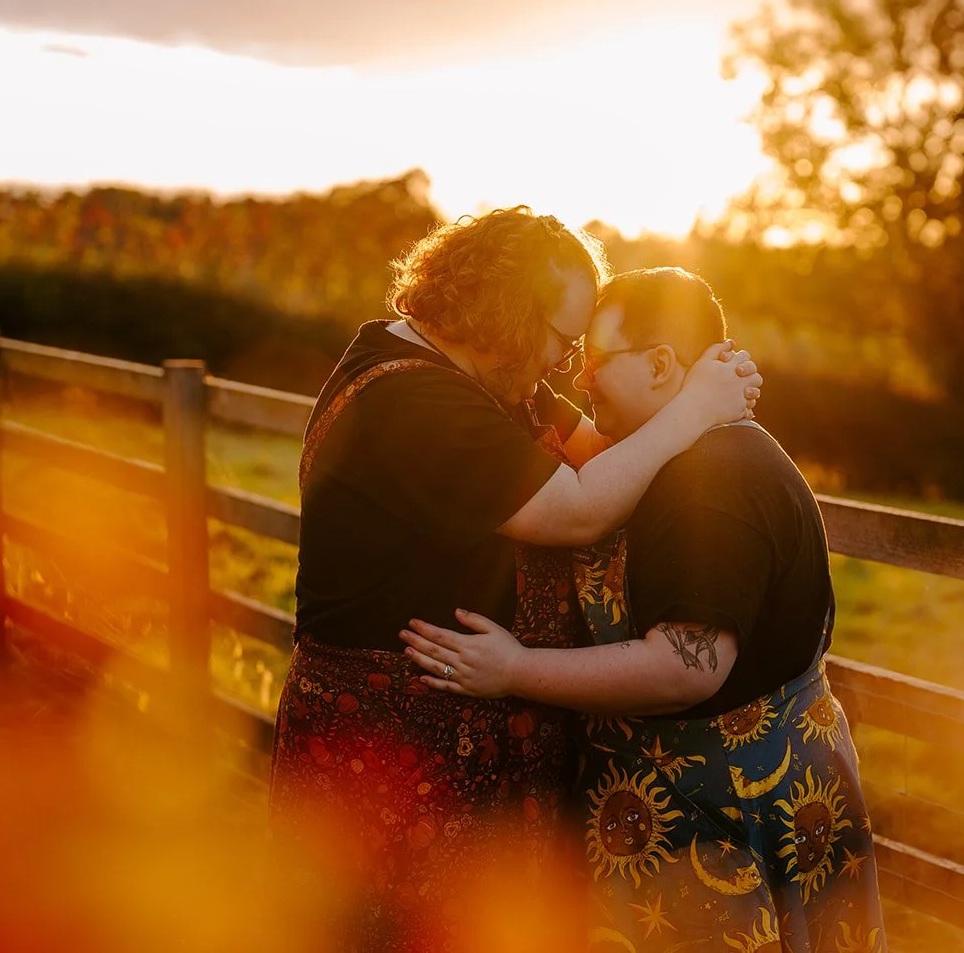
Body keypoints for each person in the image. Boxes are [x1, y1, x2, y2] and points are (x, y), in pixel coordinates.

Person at [270, 213, 762, 952]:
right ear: (505, 311)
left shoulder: (495, 382)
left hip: (470, 758)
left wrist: (694, 383)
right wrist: (696, 407)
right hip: (389, 763)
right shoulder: (411, 400)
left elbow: (604, 448)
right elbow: (578, 508)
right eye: (563, 339)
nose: (567, 364)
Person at [401, 267, 884, 953]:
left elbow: (686, 668)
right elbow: (548, 424)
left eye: (598, 361)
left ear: (661, 364)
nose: (583, 378)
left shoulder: (713, 479)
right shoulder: (664, 448)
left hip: (728, 817)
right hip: (679, 814)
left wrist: (513, 667)